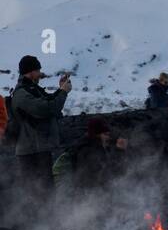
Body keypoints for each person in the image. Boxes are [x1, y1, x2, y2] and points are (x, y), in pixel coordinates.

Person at [9, 55, 70, 195]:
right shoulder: (22, 93)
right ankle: (37, 217)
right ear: (30, 72)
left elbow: (49, 102)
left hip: (38, 148)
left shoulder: (31, 89)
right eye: (38, 70)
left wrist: (61, 89)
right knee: (37, 193)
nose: (40, 74)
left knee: (45, 192)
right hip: (31, 152)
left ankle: (46, 216)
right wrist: (64, 93)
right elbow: (46, 109)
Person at [52, 117, 128, 189]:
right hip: (81, 194)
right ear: (96, 135)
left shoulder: (96, 147)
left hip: (86, 191)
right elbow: (103, 177)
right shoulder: (89, 152)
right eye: (105, 134)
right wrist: (119, 152)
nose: (108, 137)